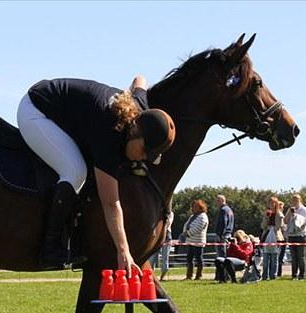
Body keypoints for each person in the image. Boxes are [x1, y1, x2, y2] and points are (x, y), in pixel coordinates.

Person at [17, 76, 176, 270]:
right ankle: (49, 247)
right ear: (135, 132)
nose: (143, 158)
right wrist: (123, 250)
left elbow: (139, 80)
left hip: (58, 105)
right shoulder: (108, 134)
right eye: (144, 151)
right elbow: (110, 203)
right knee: (75, 171)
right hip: (35, 110)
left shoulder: (141, 109)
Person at [181, 200, 209, 280]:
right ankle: (189, 275)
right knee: (189, 258)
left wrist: (188, 233)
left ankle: (199, 275)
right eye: (192, 207)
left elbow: (198, 228)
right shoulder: (192, 216)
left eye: (194, 207)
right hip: (190, 241)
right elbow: (186, 225)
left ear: (200, 208)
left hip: (198, 241)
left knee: (199, 259)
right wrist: (184, 232)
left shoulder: (203, 216)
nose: (192, 208)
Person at [260, 197, 284, 280]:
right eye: (269, 203)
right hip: (266, 236)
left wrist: (273, 228)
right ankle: (264, 275)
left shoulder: (279, 214)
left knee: (274, 258)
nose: (271, 205)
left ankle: (273, 275)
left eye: (273, 203)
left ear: (276, 204)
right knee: (266, 258)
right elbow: (263, 226)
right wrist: (267, 218)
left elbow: (280, 226)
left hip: (276, 236)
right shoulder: (266, 213)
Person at [285, 203, 306, 280]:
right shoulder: (289, 211)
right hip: (291, 237)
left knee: (301, 257)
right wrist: (290, 213)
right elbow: (285, 221)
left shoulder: (304, 210)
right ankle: (294, 275)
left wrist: (298, 220)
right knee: (293, 257)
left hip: (301, 236)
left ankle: (302, 275)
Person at [150, 211, 174, 281]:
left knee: (165, 258)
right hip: (156, 236)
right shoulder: (156, 211)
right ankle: (151, 275)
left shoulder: (170, 213)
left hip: (166, 236)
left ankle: (162, 276)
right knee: (152, 258)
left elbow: (168, 223)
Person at [214, 195, 235, 261]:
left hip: (222, 236)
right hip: (228, 234)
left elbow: (223, 223)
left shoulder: (223, 210)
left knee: (221, 256)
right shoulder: (229, 210)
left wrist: (219, 235)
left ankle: (222, 270)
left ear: (222, 201)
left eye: (217, 201)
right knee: (226, 254)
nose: (216, 203)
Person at [276, 201, 288, 277]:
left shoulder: (282, 215)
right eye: (280, 207)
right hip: (279, 238)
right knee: (278, 256)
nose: (281, 208)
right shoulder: (279, 216)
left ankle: (279, 273)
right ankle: (277, 272)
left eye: (282, 207)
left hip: (283, 238)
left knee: (280, 257)